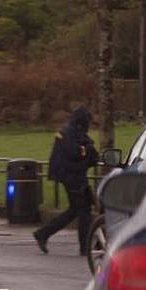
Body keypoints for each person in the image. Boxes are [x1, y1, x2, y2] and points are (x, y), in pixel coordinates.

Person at [34, 106, 98, 255]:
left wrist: (87, 151)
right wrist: (87, 151)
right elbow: (77, 152)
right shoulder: (68, 134)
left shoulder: (75, 133)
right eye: (87, 121)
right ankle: (85, 246)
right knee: (83, 211)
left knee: (76, 210)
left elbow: (88, 152)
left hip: (74, 175)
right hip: (71, 176)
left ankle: (43, 233)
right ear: (82, 121)